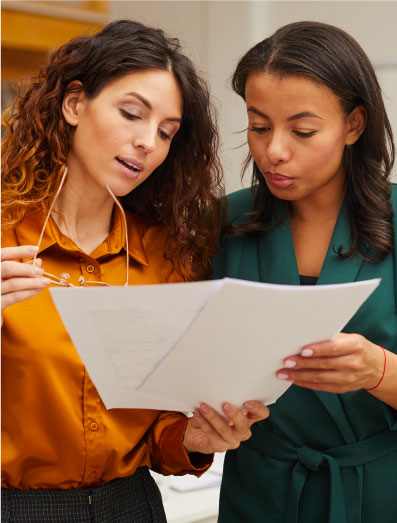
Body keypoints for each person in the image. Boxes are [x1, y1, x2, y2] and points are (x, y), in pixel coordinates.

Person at [1, 20, 269, 523]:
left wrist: (191, 437)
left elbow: (158, 425)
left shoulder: (169, 255)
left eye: (167, 132)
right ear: (74, 103)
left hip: (133, 505)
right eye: (131, 114)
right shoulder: (5, 238)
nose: (148, 142)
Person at [213, 21, 397, 523]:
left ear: (354, 126)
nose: (274, 150)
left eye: (302, 131)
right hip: (258, 494)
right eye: (258, 126)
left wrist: (380, 372)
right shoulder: (219, 224)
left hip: (381, 493)